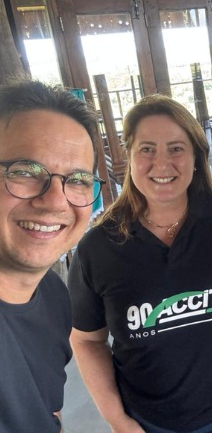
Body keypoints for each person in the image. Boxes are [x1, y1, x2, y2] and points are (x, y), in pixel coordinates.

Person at [68, 95, 212, 433]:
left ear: (195, 157)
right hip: (150, 420)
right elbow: (87, 341)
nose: (162, 163)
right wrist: (117, 420)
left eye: (176, 148)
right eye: (147, 149)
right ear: (129, 156)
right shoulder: (97, 248)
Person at [0, 79, 103, 432]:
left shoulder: (54, 294)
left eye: (77, 180)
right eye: (25, 171)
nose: (56, 201)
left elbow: (48, 409)